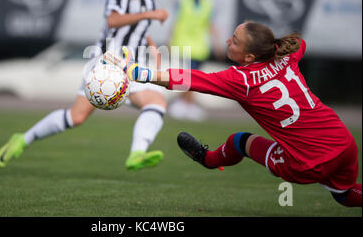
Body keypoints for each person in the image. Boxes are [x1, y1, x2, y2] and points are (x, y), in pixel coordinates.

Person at [104, 20, 361, 207]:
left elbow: (190, 79)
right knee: (345, 195)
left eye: (235, 41)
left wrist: (142, 74)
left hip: (308, 162)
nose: (228, 41)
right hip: (343, 141)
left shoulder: (241, 79)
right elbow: (299, 43)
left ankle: (207, 159)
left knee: (240, 142)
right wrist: (276, 46)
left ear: (249, 56)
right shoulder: (289, 55)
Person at [0, 0, 169, 171]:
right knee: (77, 117)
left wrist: (151, 45)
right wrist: (150, 15)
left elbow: (138, 27)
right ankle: (22, 139)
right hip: (108, 60)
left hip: (130, 62)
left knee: (156, 102)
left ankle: (137, 154)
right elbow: (113, 20)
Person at [168, 0, 225, 121]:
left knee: (193, 78)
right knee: (188, 77)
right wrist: (170, 40)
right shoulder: (183, 0)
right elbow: (176, 21)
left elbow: (211, 24)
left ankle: (184, 103)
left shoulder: (208, 2)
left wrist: (217, 44)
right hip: (184, 44)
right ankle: (186, 105)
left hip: (200, 47)